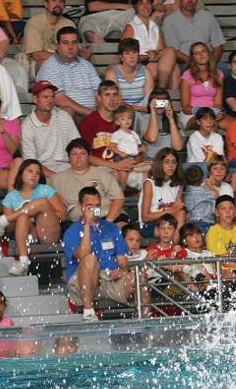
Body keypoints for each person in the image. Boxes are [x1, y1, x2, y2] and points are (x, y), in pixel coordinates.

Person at [63, 186, 144, 322]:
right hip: (82, 281)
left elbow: (122, 259)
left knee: (139, 278)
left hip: (108, 278)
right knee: (90, 259)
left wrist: (120, 270)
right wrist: (87, 226)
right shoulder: (72, 231)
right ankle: (88, 312)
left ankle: (145, 320)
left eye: (97, 205)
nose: (94, 209)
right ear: (81, 206)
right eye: (90, 206)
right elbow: (82, 255)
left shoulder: (111, 227)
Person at [0, 160, 66, 276]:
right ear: (21, 173)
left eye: (37, 173)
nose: (34, 175)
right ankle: (23, 262)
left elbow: (62, 216)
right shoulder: (11, 197)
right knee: (23, 216)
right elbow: (10, 228)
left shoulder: (45, 189)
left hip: (47, 232)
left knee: (42, 202)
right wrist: (26, 212)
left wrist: (37, 211)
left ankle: (1, 221)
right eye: (30, 171)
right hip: (28, 235)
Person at [48, 138, 127, 224]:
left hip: (107, 217)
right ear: (68, 158)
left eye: (83, 153)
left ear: (89, 156)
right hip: (76, 222)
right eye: (74, 154)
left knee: (123, 230)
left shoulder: (103, 174)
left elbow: (118, 199)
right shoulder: (56, 180)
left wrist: (107, 223)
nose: (78, 157)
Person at [36, 26, 100, 118]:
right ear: (57, 46)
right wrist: (91, 114)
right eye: (65, 43)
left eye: (74, 43)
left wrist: (101, 114)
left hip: (92, 114)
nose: (70, 47)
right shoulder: (50, 66)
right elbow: (59, 99)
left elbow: (99, 92)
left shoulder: (86, 65)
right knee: (67, 112)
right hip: (71, 116)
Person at [121, 0, 179, 89]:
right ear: (135, 6)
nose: (146, 6)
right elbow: (126, 56)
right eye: (141, 3)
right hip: (137, 65)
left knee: (173, 63)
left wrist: (156, 53)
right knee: (173, 68)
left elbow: (161, 51)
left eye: (148, 3)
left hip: (155, 64)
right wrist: (147, 56)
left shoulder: (155, 27)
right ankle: (161, 92)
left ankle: (167, 98)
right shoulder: (130, 27)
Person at [20, 80, 78, 178]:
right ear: (35, 99)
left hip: (67, 167)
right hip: (41, 172)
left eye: (52, 97)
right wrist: (55, 177)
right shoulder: (27, 126)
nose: (50, 101)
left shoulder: (64, 116)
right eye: (45, 97)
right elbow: (30, 162)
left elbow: (77, 146)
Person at [79, 80, 135, 177]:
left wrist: (131, 160)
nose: (112, 99)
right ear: (99, 98)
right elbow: (86, 156)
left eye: (115, 95)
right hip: (100, 167)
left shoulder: (124, 119)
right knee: (115, 175)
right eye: (107, 95)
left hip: (122, 164)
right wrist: (114, 165)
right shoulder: (87, 123)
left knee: (147, 173)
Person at [162, 0, 225, 67]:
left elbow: (218, 47)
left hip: (211, 62)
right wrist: (197, 66)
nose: (189, 0)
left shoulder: (207, 16)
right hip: (186, 64)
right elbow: (174, 52)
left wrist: (211, 65)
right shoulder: (170, 21)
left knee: (228, 73)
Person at [23, 0, 77, 70]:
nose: (58, 4)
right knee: (47, 64)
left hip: (65, 61)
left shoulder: (69, 24)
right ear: (46, 4)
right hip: (36, 63)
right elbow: (36, 55)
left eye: (61, 1)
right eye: (54, 0)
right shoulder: (34, 23)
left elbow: (74, 49)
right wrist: (63, 57)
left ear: (64, 6)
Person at [139, 148, 185, 238]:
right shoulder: (149, 183)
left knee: (181, 214)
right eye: (167, 162)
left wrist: (174, 210)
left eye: (173, 162)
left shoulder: (178, 185)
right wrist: (170, 210)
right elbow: (145, 217)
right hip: (151, 225)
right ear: (160, 163)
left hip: (171, 223)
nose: (171, 165)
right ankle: (174, 249)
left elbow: (178, 210)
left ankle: (174, 248)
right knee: (173, 224)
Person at [205, 195, 236, 278]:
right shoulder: (213, 231)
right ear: (217, 212)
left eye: (231, 208)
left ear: (235, 211)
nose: (228, 212)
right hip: (225, 272)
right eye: (223, 209)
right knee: (228, 273)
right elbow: (220, 259)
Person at [180, 42, 224, 129]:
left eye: (203, 51)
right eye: (196, 53)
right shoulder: (187, 75)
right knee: (209, 124)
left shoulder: (218, 74)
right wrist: (205, 114)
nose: (201, 55)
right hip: (192, 114)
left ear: (208, 53)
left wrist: (216, 112)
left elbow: (218, 102)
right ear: (193, 58)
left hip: (213, 113)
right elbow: (185, 107)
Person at [104, 38, 153, 111]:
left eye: (134, 52)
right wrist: (140, 108)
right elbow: (115, 102)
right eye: (127, 53)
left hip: (142, 114)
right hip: (120, 114)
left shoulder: (146, 71)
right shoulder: (112, 72)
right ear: (121, 57)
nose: (132, 56)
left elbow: (148, 100)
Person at [109, 104, 150, 189]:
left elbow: (138, 147)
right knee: (123, 175)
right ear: (117, 122)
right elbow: (111, 146)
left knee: (149, 167)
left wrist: (142, 149)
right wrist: (120, 153)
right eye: (123, 119)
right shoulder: (117, 134)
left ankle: (142, 191)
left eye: (129, 118)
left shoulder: (134, 134)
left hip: (134, 158)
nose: (126, 121)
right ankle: (122, 191)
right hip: (122, 158)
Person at [137, 87, 184, 156]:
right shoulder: (143, 119)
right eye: (157, 102)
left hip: (168, 159)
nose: (160, 105)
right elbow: (152, 138)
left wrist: (171, 119)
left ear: (168, 103)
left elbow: (178, 147)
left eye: (163, 102)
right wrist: (153, 111)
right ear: (151, 103)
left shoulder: (174, 118)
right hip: (151, 159)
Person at [177, 222, 215, 291]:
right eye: (191, 235)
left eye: (198, 234)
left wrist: (213, 276)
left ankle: (214, 288)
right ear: (184, 241)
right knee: (200, 267)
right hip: (197, 283)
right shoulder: (185, 252)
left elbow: (214, 269)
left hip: (211, 279)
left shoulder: (208, 253)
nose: (196, 237)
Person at [183, 164, 215, 233]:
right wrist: (210, 185)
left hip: (191, 222)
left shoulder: (187, 191)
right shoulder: (203, 191)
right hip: (205, 221)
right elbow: (216, 195)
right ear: (202, 179)